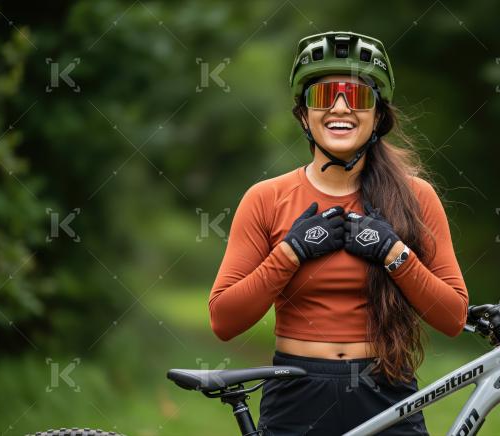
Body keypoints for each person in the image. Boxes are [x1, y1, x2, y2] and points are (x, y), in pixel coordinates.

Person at [208, 31, 469, 435]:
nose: (341, 107)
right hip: (297, 394)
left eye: (358, 96)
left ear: (378, 115)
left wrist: (394, 254)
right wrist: (289, 253)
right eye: (324, 95)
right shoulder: (266, 198)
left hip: (387, 388)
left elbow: (452, 317)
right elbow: (224, 320)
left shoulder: (416, 197)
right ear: (303, 114)